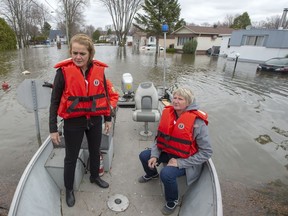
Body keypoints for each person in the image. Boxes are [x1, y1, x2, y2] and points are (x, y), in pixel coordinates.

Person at [49, 33, 118, 207]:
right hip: (74, 122)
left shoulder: (99, 71)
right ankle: (69, 189)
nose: (78, 57)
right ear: (71, 52)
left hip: (95, 119)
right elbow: (55, 101)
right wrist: (52, 129)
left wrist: (108, 118)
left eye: (82, 54)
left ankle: (94, 176)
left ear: (90, 54)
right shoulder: (62, 73)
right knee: (70, 157)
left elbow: (105, 96)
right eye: (75, 53)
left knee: (95, 151)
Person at [138, 87, 212, 215]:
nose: (176, 101)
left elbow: (206, 152)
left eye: (180, 99)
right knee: (144, 156)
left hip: (187, 159)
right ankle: (152, 174)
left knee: (166, 174)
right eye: (175, 98)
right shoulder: (168, 114)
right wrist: (155, 155)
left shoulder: (198, 122)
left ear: (188, 103)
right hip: (168, 152)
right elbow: (159, 138)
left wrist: (180, 163)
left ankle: (172, 200)